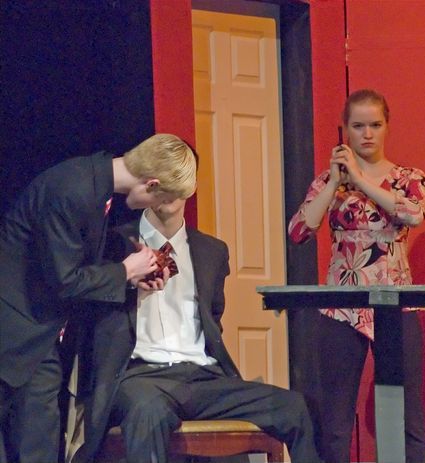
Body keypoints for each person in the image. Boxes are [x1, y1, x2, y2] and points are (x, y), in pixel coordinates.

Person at [71, 198, 321, 463]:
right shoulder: (111, 244)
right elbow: (87, 307)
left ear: (188, 188)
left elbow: (213, 317)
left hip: (202, 376)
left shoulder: (211, 250)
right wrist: (128, 282)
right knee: (148, 411)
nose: (168, 192)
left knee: (295, 407)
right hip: (139, 376)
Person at [0, 133, 197, 463]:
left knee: (39, 446)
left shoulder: (95, 185)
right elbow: (65, 281)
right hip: (13, 335)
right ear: (151, 184)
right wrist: (125, 270)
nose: (154, 207)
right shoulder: (71, 189)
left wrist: (132, 279)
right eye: (160, 199)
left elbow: (75, 268)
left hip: (37, 338)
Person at [288, 88, 425, 462]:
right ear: (345, 129)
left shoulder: (407, 177)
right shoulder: (328, 181)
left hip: (395, 303)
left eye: (375, 125)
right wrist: (336, 182)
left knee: (407, 415)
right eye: (358, 126)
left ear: (387, 126)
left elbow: (413, 213)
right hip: (342, 305)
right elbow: (299, 232)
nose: (367, 134)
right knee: (334, 420)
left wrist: (361, 179)